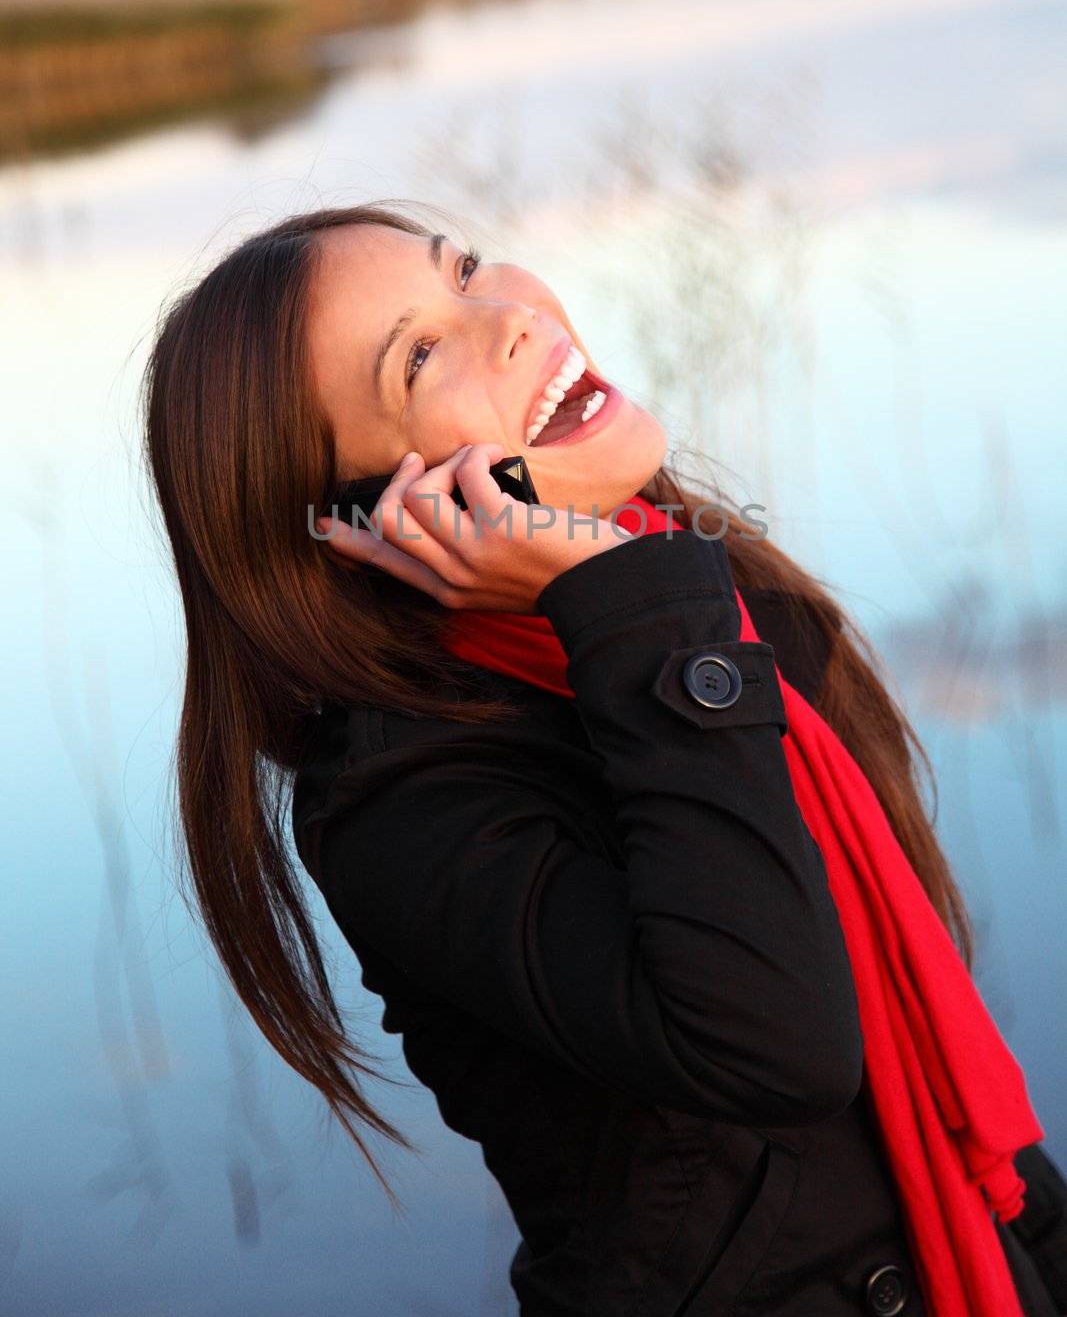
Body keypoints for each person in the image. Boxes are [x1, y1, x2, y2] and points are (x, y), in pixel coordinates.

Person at [141, 202, 1067, 1316]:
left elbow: (937, 1096)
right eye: (421, 354)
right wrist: (628, 607)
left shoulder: (709, 594)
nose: (509, 318)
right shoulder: (407, 801)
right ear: (361, 520)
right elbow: (780, 1049)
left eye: (466, 268)